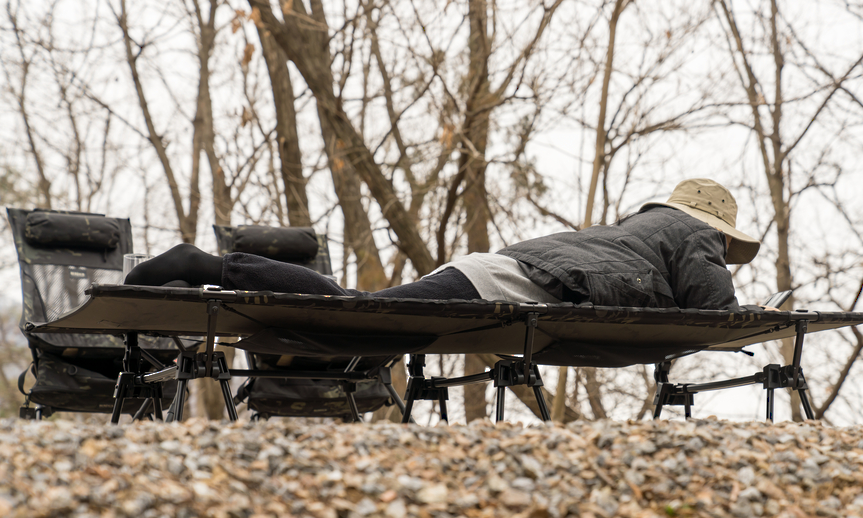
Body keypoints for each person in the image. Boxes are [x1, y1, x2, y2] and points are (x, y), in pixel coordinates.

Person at [125, 178, 763, 312]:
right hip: (504, 284)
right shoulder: (693, 231)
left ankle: (211, 270)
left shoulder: (642, 233)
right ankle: (206, 265)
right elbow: (709, 302)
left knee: (369, 314)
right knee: (363, 309)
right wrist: (746, 316)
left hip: (503, 271)